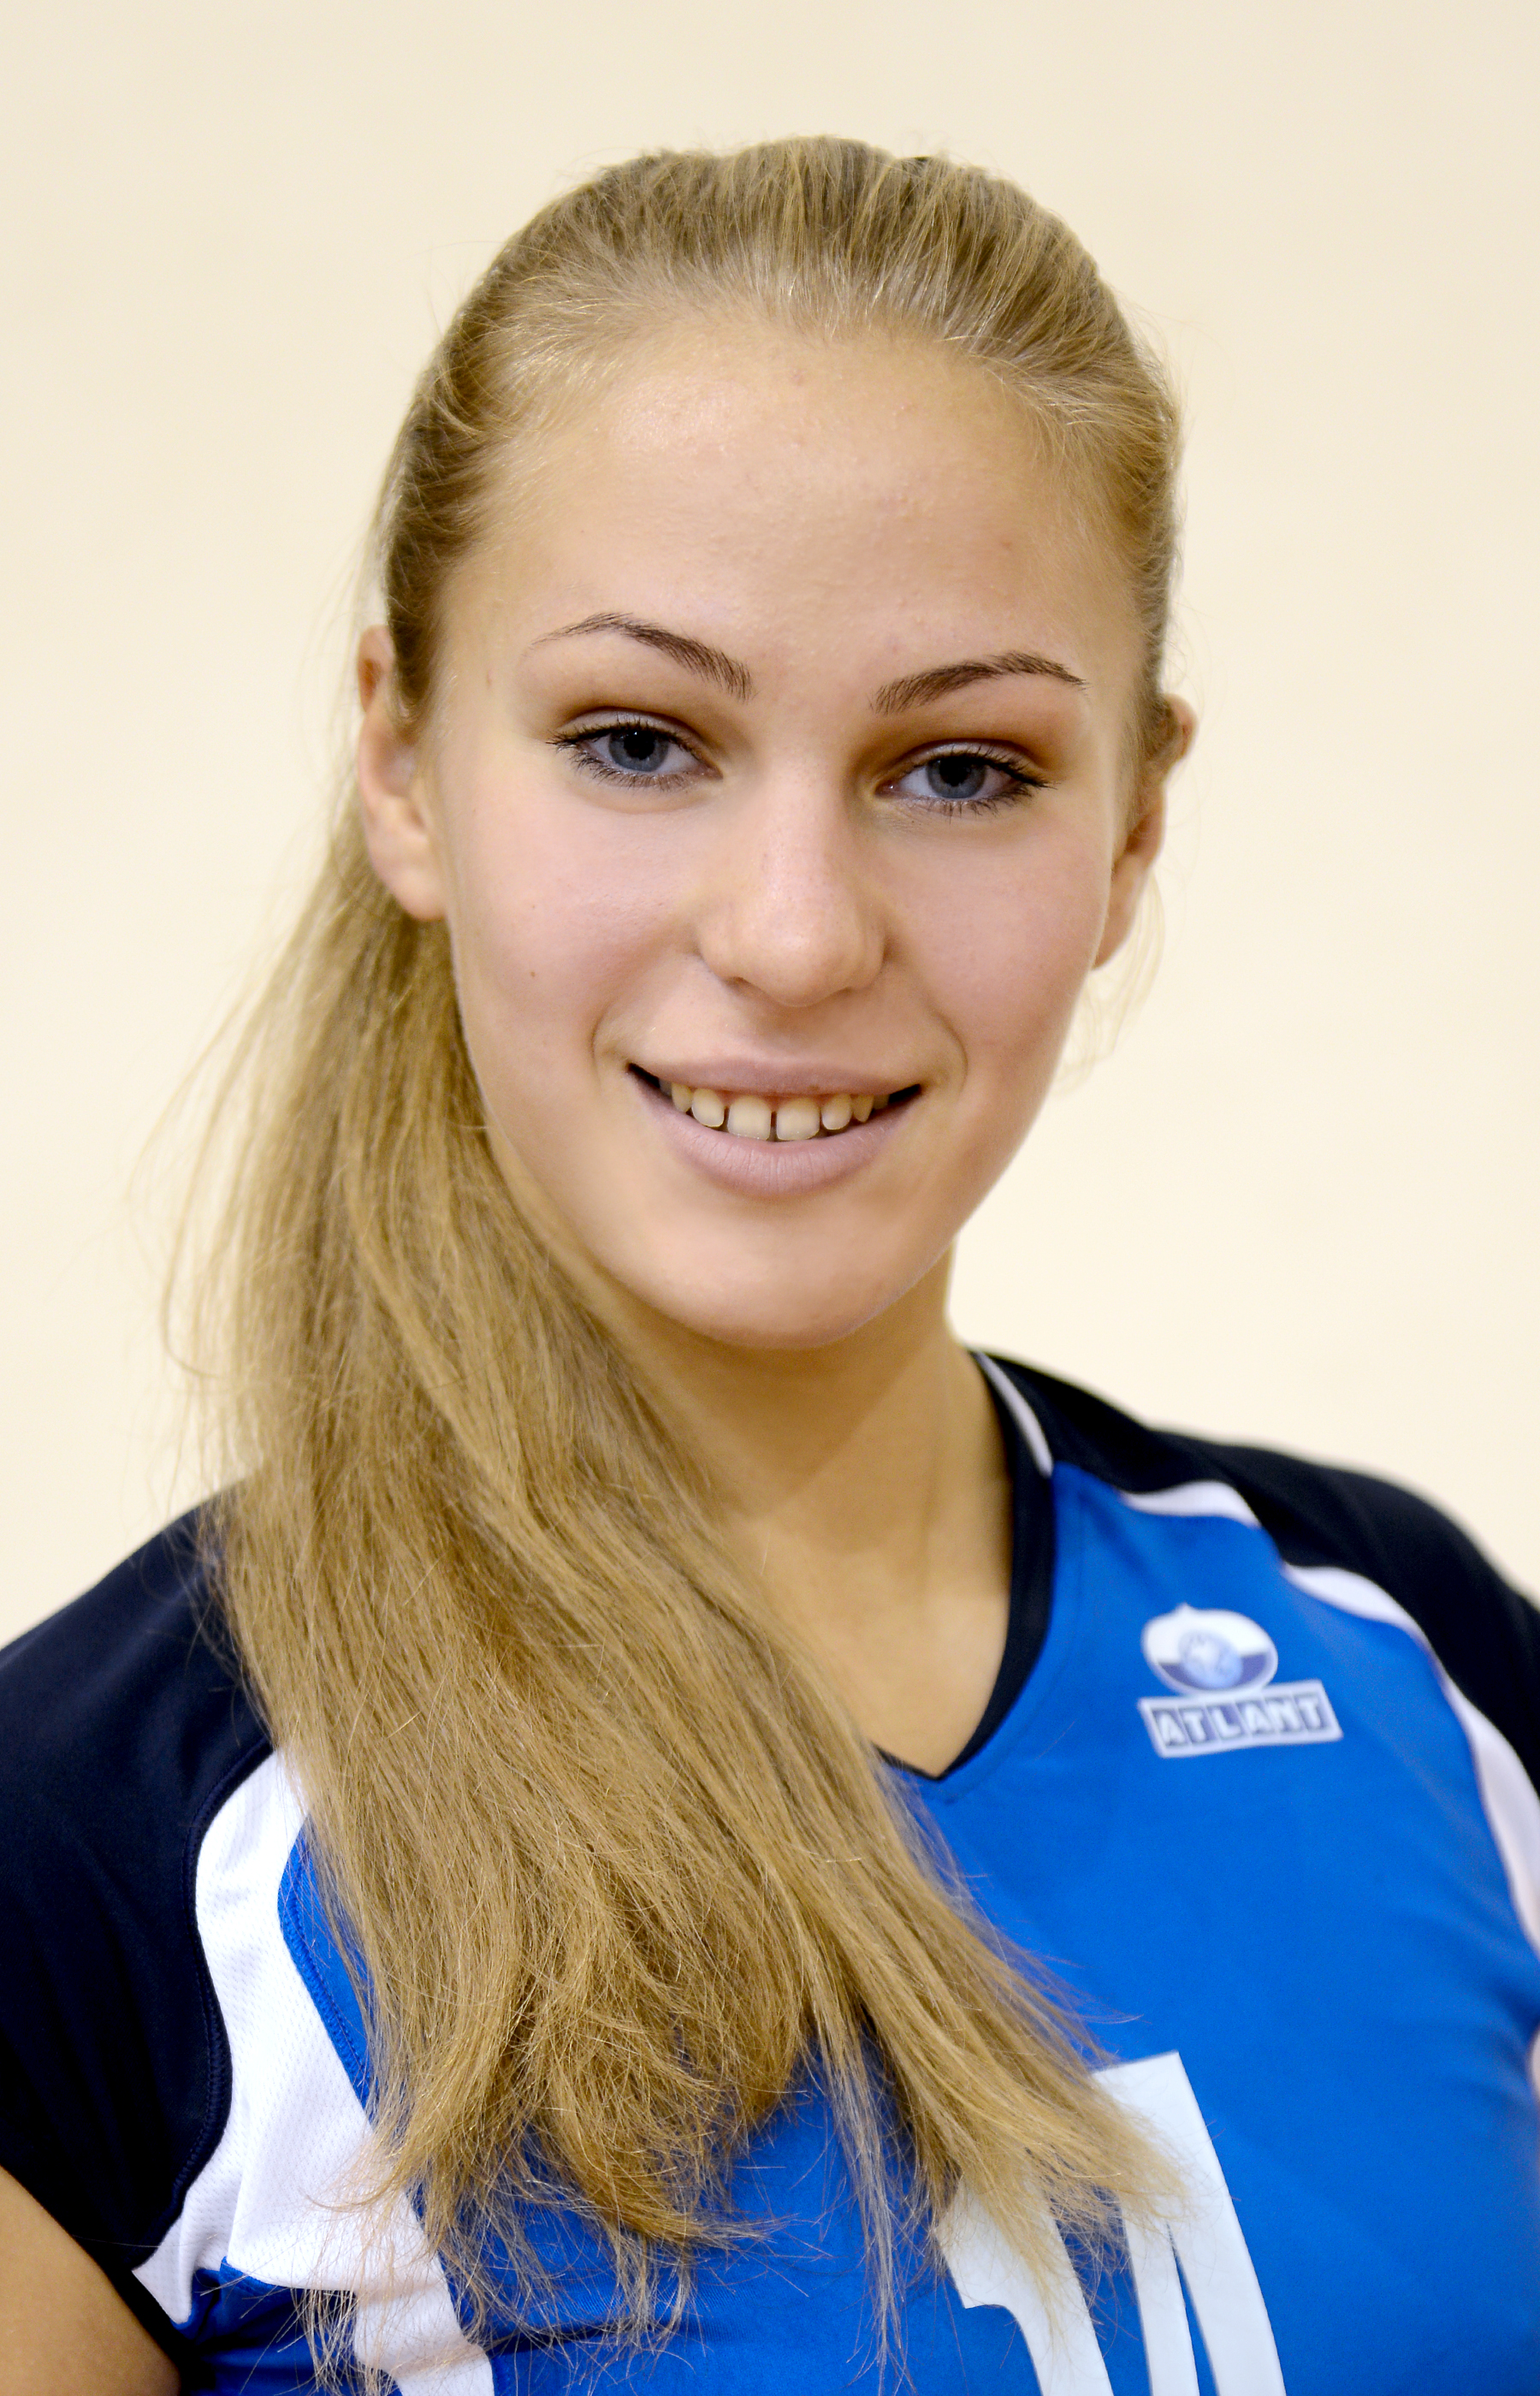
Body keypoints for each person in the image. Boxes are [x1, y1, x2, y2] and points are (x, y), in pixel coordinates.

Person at [1, 136, 1537, 2396]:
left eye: (963, 769)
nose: (798, 934)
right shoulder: (93, 1863)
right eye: (639, 744)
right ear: (403, 760)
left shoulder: (1410, 1655)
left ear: (1133, 826)